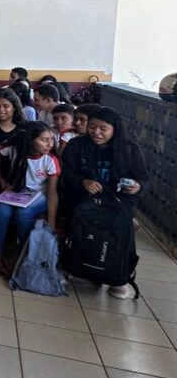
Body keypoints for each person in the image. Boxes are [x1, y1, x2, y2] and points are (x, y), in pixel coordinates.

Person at [61, 107, 149, 299]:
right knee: (81, 232)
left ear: (114, 129)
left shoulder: (129, 149)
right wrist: (82, 182)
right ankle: (78, 267)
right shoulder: (77, 145)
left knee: (120, 234)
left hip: (117, 203)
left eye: (103, 129)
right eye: (92, 127)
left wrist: (136, 186)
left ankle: (119, 277)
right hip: (84, 201)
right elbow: (66, 172)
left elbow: (143, 179)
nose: (96, 132)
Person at [0, 122, 60, 277]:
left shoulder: (50, 159)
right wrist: (2, 181)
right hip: (16, 192)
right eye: (44, 140)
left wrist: (51, 222)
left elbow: (52, 193)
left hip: (39, 196)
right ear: (30, 140)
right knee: (1, 211)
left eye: (51, 139)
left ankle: (22, 255)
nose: (49, 144)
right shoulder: (15, 149)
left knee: (23, 213)